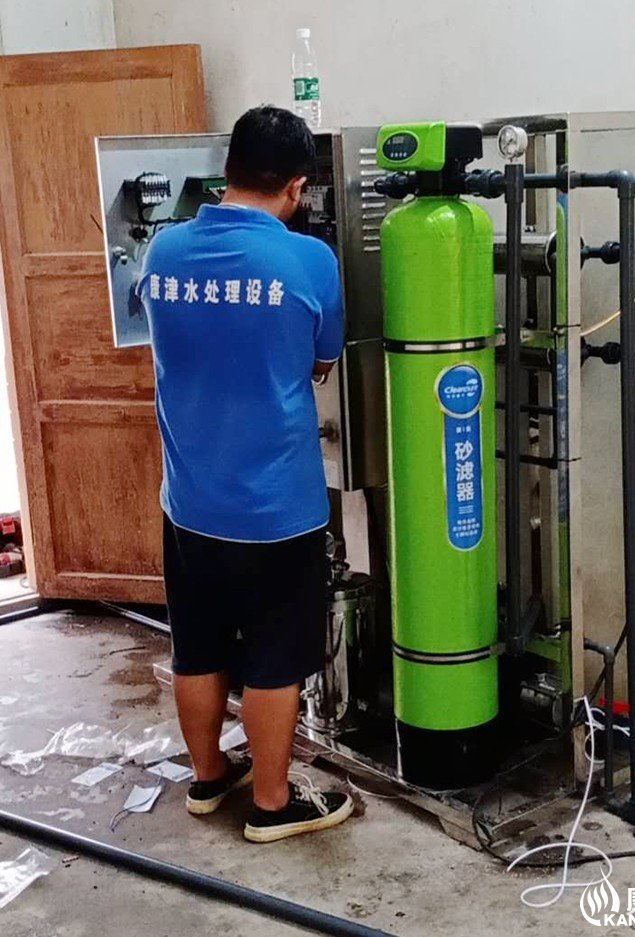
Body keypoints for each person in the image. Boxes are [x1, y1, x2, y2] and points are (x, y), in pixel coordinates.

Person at [139, 105, 352, 843]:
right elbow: (322, 360)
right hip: (277, 507)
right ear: (295, 187)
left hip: (189, 499)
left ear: (226, 170)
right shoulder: (309, 261)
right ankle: (271, 802)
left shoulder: (164, 250)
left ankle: (207, 778)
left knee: (196, 645)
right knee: (273, 658)